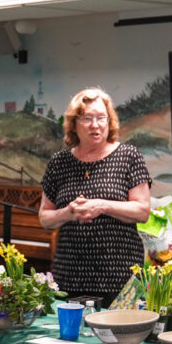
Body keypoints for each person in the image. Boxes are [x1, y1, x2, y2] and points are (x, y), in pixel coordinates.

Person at [39, 87, 151, 308]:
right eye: (87, 118)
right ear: (74, 124)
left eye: (101, 118)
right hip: (69, 275)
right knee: (70, 340)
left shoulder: (129, 156)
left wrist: (103, 206)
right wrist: (69, 212)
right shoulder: (59, 163)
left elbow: (142, 211)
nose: (95, 124)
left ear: (110, 122)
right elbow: (45, 218)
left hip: (119, 275)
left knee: (119, 340)